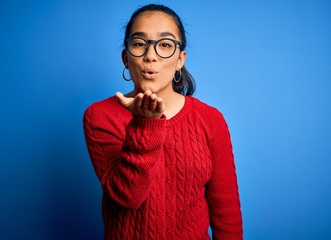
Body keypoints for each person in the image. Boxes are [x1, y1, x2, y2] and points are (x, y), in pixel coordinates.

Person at [83, 4, 243, 239]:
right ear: (126, 58)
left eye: (165, 45)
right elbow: (129, 196)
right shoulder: (100, 116)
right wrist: (146, 124)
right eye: (139, 43)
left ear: (180, 60)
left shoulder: (211, 120)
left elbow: (226, 212)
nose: (151, 56)